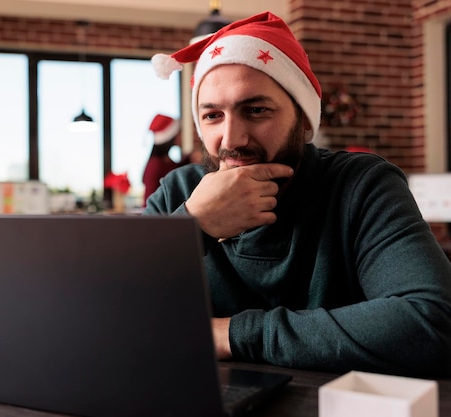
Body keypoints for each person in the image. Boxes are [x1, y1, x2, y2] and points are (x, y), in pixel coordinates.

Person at [147, 11, 451, 377]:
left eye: (256, 110)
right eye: (212, 116)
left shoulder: (361, 186)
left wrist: (233, 334)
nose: (231, 140)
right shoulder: (177, 195)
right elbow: (106, 314)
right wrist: (193, 227)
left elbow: (432, 322)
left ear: (304, 119)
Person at [142, 114, 201, 206]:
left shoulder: (170, 163)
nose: (183, 136)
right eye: (180, 133)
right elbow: (149, 202)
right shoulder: (155, 165)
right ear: (173, 136)